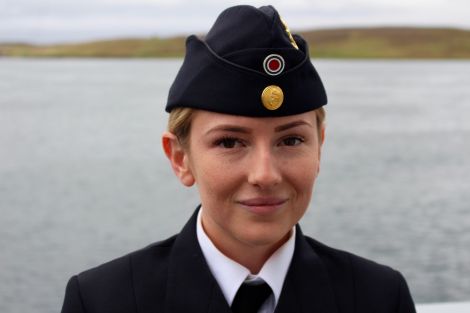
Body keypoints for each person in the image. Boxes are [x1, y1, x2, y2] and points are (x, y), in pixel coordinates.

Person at [61, 5, 416, 313]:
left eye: (291, 139)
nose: (265, 175)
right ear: (181, 158)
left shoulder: (380, 297)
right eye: (230, 142)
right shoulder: (101, 302)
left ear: (319, 148)